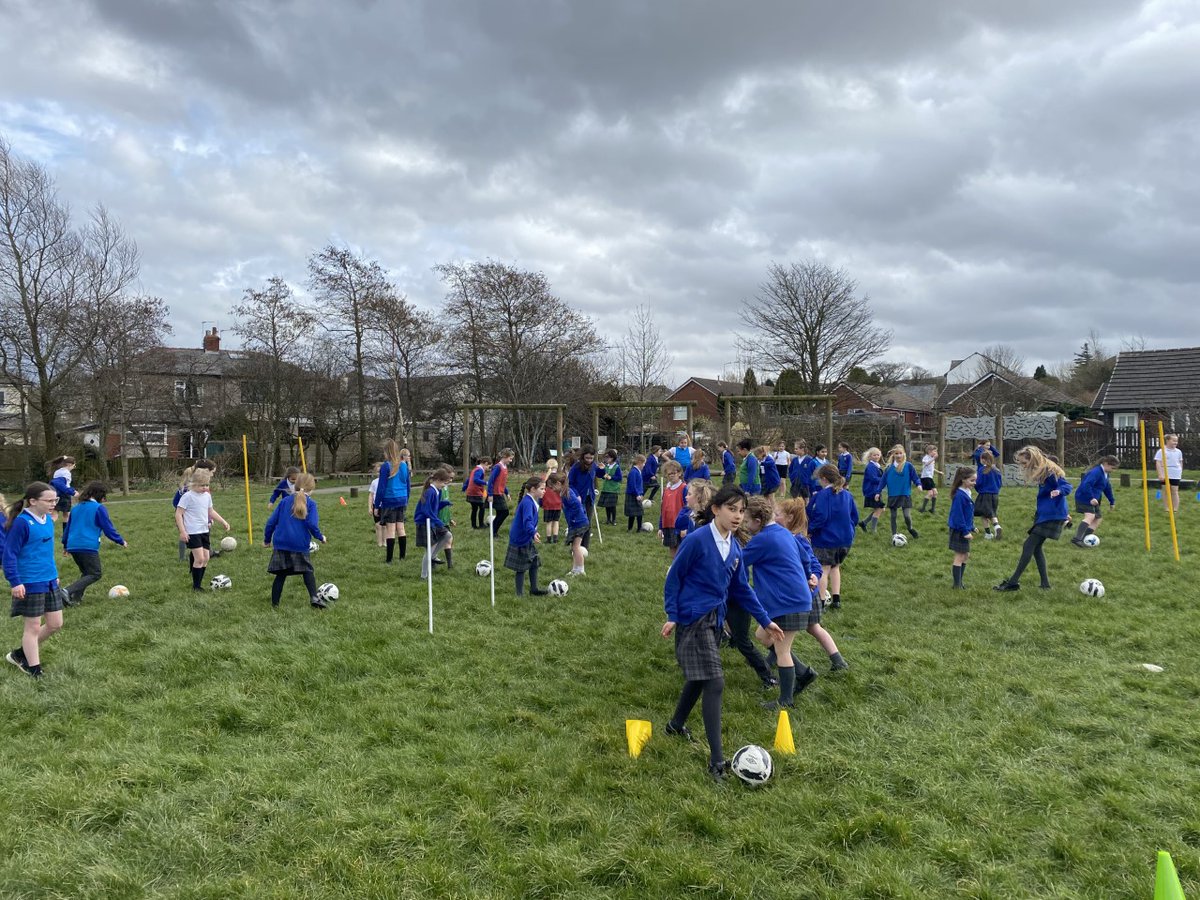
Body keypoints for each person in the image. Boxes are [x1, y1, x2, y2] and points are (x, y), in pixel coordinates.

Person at [662, 484, 785, 781]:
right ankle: (717, 761)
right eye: (731, 509)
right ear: (715, 509)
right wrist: (673, 615)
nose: (737, 516)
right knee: (715, 682)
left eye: (742, 511)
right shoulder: (696, 540)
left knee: (699, 678)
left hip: (715, 621)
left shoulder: (735, 548)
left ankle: (675, 726)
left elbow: (742, 589)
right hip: (693, 620)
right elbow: (673, 578)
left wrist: (765, 620)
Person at [741, 495, 818, 710]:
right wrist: (808, 574)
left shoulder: (762, 539)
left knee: (782, 650)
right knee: (762, 636)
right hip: (794, 598)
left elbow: (738, 561)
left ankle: (785, 700)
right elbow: (804, 557)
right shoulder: (783, 533)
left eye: (747, 521)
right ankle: (803, 673)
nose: (745, 526)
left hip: (788, 602)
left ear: (757, 520)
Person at [775, 498, 848, 672]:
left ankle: (838, 661)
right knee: (813, 627)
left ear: (789, 518)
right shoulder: (786, 537)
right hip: (809, 595)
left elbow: (814, 563)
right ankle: (838, 660)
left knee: (791, 628)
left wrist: (814, 576)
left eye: (777, 515)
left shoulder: (798, 540)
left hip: (805, 594)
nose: (774, 518)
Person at [4, 483, 64, 678]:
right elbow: (9, 554)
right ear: (33, 501)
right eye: (49, 500)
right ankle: (34, 669)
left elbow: (45, 553)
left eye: (55, 500)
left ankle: (20, 654)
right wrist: (15, 582)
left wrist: (54, 575)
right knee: (33, 627)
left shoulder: (47, 520)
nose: (53, 503)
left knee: (55, 624)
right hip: (29, 582)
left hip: (49, 580)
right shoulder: (22, 522)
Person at [994, 447, 1073, 592]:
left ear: (1033, 459)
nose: (1023, 466)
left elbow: (1066, 485)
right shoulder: (1043, 470)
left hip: (1052, 515)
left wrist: (1059, 491)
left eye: (1024, 463)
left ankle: (1013, 582)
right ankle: (1045, 584)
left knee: (1028, 546)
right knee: (1036, 549)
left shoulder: (1050, 471)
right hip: (1045, 514)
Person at [264, 473, 328, 608]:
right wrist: (320, 537)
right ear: (312, 489)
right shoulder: (311, 504)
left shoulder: (284, 502)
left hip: (281, 544)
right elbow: (312, 524)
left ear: (295, 486)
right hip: (299, 544)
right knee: (307, 571)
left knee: (281, 575)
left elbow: (270, 523)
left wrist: (267, 539)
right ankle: (314, 598)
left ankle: (275, 604)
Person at [62, 480, 128, 606]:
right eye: (104, 496)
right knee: (95, 573)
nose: (104, 499)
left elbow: (68, 528)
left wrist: (65, 545)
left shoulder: (76, 508)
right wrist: (120, 541)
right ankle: (66, 591)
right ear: (99, 495)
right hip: (87, 545)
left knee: (87, 572)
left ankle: (74, 599)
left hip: (73, 545)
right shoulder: (98, 508)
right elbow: (108, 528)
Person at [807, 463, 859, 610]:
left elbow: (820, 516)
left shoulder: (822, 495)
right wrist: (849, 530)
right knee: (835, 567)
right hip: (845, 540)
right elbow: (855, 517)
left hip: (826, 539)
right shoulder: (847, 495)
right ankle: (836, 599)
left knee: (823, 569)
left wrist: (810, 530)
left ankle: (821, 601)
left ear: (824, 479)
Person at [175, 468, 230, 592]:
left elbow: (210, 511)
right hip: (192, 532)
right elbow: (178, 514)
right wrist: (182, 531)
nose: (205, 487)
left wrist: (223, 521)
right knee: (199, 559)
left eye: (207, 485)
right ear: (193, 484)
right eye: (202, 485)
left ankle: (198, 583)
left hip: (204, 530)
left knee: (206, 558)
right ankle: (196, 586)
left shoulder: (207, 496)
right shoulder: (187, 497)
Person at [505, 476, 547, 596]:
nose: (544, 491)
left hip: (527, 536)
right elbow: (527, 521)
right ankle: (519, 594)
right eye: (542, 489)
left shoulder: (534, 500)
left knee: (534, 562)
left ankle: (534, 589)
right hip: (520, 538)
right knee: (521, 567)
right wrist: (533, 532)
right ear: (533, 489)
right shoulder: (527, 502)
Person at [374, 441, 412, 563]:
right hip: (402, 498)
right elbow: (408, 484)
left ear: (387, 452)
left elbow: (381, 487)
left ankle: (389, 559)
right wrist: (407, 498)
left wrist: (376, 504)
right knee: (401, 527)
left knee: (390, 529)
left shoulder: (386, 466)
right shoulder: (404, 465)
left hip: (390, 499)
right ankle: (402, 556)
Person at [173, 460, 217, 561]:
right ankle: (183, 558)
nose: (212, 475)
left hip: (201, 520)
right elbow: (176, 503)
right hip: (187, 519)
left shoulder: (204, 489)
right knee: (185, 536)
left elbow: (207, 507)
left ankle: (207, 552)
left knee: (203, 535)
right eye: (212, 472)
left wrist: (209, 519)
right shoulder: (187, 490)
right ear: (205, 471)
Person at [1072, 455, 1118, 546]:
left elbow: (1107, 488)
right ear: (1105, 464)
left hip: (1093, 499)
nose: (1113, 470)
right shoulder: (1096, 472)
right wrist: (1091, 498)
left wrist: (1111, 501)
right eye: (1112, 468)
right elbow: (1086, 485)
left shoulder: (1105, 474)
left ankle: (1085, 538)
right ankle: (1077, 539)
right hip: (1084, 497)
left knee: (1098, 518)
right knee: (1090, 516)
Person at [552, 473, 590, 575]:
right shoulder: (565, 492)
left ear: (558, 483)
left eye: (552, 487)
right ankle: (575, 569)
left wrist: (573, 519)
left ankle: (581, 570)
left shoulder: (567, 494)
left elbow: (577, 505)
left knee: (576, 547)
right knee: (574, 547)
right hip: (577, 523)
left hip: (579, 524)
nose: (552, 489)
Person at [883, 446, 923, 539]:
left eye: (900, 453)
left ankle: (910, 528)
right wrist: (877, 492)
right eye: (896, 453)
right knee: (893, 516)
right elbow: (883, 480)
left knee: (907, 515)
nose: (898, 455)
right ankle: (894, 535)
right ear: (893, 454)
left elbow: (915, 477)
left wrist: (918, 484)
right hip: (893, 494)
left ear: (904, 454)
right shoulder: (889, 468)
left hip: (905, 494)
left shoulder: (908, 466)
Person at [947, 467, 976, 589]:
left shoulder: (967, 492)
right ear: (963, 480)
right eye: (972, 480)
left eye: (975, 480)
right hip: (959, 530)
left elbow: (967, 514)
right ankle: (957, 585)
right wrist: (965, 531)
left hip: (964, 528)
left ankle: (960, 582)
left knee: (965, 555)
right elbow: (958, 515)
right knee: (960, 556)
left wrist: (972, 527)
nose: (974, 483)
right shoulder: (959, 495)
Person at [657, 461, 687, 555]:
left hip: (679, 526)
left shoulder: (684, 488)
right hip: (668, 525)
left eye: (673, 473)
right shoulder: (666, 490)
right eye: (669, 474)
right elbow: (663, 510)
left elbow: (688, 509)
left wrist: (685, 527)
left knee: (681, 551)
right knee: (672, 549)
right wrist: (661, 527)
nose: (671, 475)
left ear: (679, 473)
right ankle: (674, 567)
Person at [974, 450, 1003, 538]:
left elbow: (978, 482)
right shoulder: (996, 470)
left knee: (983, 514)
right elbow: (1000, 483)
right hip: (995, 494)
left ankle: (988, 533)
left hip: (984, 494)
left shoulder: (982, 470)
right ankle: (997, 526)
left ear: (983, 459)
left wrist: (977, 489)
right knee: (992, 512)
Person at [568, 446, 600, 524]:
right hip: (579, 497)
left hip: (590, 497)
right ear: (583, 456)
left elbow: (599, 475)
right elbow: (569, 483)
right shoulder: (576, 467)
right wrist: (576, 494)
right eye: (587, 458)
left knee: (588, 522)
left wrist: (602, 470)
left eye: (591, 458)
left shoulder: (594, 465)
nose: (589, 460)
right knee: (580, 522)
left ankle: (587, 535)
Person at [676, 478, 713, 544]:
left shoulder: (705, 517)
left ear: (698, 498)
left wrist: (687, 535)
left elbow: (702, 540)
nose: (686, 497)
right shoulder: (692, 514)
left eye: (689, 494)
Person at [488, 449, 515, 536]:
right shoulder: (497, 467)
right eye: (510, 459)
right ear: (504, 457)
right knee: (504, 512)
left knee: (501, 513)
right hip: (495, 494)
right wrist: (490, 494)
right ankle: (493, 530)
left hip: (500, 493)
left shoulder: (505, 467)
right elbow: (491, 481)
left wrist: (507, 493)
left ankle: (493, 531)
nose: (511, 461)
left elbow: (502, 482)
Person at [1155, 433, 1184, 513]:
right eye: (1173, 441)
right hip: (1165, 472)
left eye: (1176, 441)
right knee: (1165, 490)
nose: (1175, 442)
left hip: (1175, 473)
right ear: (1167, 440)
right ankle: (1167, 508)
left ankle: (1175, 508)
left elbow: (1180, 462)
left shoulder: (1178, 451)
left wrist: (1180, 471)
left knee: (1174, 490)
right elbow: (1158, 462)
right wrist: (1160, 474)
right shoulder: (1161, 451)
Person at [858, 447, 885, 534]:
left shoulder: (876, 465)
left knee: (879, 509)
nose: (876, 456)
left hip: (876, 491)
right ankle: (873, 530)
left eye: (878, 455)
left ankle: (864, 523)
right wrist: (884, 480)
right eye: (874, 455)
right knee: (879, 509)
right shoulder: (871, 466)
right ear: (870, 456)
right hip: (872, 491)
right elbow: (873, 479)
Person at [48, 455, 77, 524]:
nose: (74, 467)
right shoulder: (67, 473)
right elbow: (65, 486)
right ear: (69, 464)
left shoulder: (57, 472)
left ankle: (47, 526)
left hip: (56, 494)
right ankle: (65, 532)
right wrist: (73, 492)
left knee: (54, 515)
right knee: (66, 515)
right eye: (74, 465)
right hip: (65, 495)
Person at [597, 449, 622, 526]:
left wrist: (611, 477)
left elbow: (619, 478)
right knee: (607, 506)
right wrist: (604, 476)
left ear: (613, 458)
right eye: (606, 457)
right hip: (606, 488)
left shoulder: (617, 467)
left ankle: (613, 520)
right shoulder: (606, 466)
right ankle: (608, 519)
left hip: (613, 489)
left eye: (608, 458)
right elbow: (603, 475)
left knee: (612, 505)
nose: (607, 459)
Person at [465, 457, 491, 530]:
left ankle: (474, 525)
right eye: (489, 466)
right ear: (485, 463)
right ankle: (481, 524)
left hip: (470, 492)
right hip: (475, 492)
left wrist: (465, 487)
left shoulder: (475, 469)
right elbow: (476, 480)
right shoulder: (480, 470)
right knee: (482, 507)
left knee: (474, 509)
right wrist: (486, 482)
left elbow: (469, 479)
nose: (488, 468)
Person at [541, 458, 563, 542]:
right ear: (556, 467)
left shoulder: (545, 477)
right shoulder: (559, 477)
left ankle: (548, 539)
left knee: (549, 522)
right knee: (556, 521)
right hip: (557, 502)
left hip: (548, 503)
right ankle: (556, 538)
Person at [625, 453, 646, 532]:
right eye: (644, 463)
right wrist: (637, 494)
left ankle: (635, 528)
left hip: (637, 494)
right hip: (633, 494)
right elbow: (632, 485)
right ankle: (634, 528)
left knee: (636, 512)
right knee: (637, 512)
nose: (644, 465)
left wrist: (641, 493)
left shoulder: (637, 471)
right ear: (639, 462)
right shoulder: (634, 472)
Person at [918, 445, 939, 514]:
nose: (936, 452)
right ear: (929, 451)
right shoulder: (926, 458)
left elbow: (932, 468)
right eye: (934, 451)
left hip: (930, 477)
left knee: (935, 493)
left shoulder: (931, 458)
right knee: (930, 493)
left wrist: (939, 472)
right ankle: (922, 509)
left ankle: (932, 509)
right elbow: (926, 464)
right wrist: (933, 459)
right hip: (925, 477)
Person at [367, 462, 384, 546]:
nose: (379, 473)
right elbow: (371, 495)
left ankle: (385, 542)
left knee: (385, 525)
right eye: (377, 472)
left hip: (385, 505)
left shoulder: (387, 481)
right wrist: (370, 507)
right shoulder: (374, 482)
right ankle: (379, 543)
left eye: (380, 471)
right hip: (376, 505)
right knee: (378, 525)